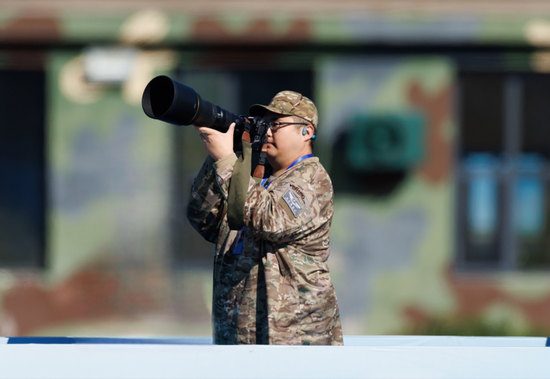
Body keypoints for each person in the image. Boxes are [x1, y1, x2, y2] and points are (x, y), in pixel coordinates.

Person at [186, 90, 343, 345]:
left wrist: (227, 162)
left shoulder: (312, 179)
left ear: (306, 131)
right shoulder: (254, 181)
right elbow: (202, 218)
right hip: (238, 335)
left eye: (276, 124)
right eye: (264, 124)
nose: (267, 131)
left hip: (292, 339)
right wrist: (220, 158)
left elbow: (269, 219)